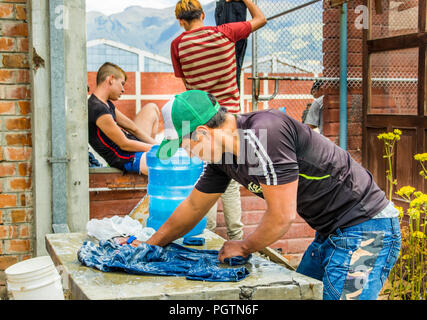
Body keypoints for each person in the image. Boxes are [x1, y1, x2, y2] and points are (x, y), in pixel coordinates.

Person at [131, 89, 401, 300]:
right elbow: (193, 206)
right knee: (299, 293)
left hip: (368, 230)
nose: (189, 154)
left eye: (186, 146)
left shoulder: (265, 133)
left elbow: (283, 216)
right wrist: (151, 244)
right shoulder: (221, 157)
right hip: (331, 232)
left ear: (201, 133)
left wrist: (245, 245)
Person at [170, 0, 266, 240]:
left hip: (201, 120)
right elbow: (261, 19)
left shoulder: (177, 45)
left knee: (208, 174)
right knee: (231, 181)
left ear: (180, 21)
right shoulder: (225, 33)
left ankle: (207, 233)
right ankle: (236, 237)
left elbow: (188, 88)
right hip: (231, 118)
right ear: (203, 14)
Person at [88, 62, 160, 175]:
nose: (123, 90)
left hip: (133, 151)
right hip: (127, 158)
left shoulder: (106, 104)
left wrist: (158, 147)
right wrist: (157, 150)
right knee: (173, 165)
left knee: (152, 108)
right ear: (111, 79)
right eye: (122, 84)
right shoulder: (96, 108)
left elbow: (133, 129)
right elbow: (124, 144)